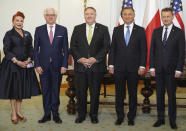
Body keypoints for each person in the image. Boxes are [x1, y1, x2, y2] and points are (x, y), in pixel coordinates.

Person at [70, 7, 110, 124]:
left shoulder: (103, 29)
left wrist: (95, 59)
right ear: (84, 15)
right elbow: (73, 46)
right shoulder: (77, 28)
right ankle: (81, 115)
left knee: (95, 93)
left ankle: (93, 115)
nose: (89, 16)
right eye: (87, 14)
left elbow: (106, 46)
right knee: (81, 93)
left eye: (91, 14)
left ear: (95, 15)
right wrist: (80, 59)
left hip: (96, 67)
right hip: (81, 67)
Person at [108, 7, 147, 126]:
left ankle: (131, 116)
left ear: (134, 15)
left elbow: (143, 50)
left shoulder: (140, 30)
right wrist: (111, 64)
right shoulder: (117, 30)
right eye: (125, 14)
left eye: (130, 14)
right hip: (119, 68)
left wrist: (142, 66)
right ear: (122, 16)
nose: (127, 16)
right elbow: (113, 49)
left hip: (134, 68)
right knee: (119, 93)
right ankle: (120, 116)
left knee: (132, 94)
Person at [0, 11, 41, 124]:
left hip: (25, 65)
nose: (19, 22)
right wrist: (17, 61)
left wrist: (28, 60)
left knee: (21, 89)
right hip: (12, 66)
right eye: (17, 20)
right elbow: (6, 50)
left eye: (21, 20)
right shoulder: (9, 34)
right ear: (13, 22)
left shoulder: (27, 34)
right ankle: (13, 112)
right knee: (13, 90)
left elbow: (31, 49)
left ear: (23, 22)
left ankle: (19, 111)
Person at [150, 8, 185, 129]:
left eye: (168, 16)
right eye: (163, 17)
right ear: (161, 17)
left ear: (172, 17)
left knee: (171, 96)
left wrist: (179, 69)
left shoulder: (179, 32)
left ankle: (172, 120)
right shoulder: (156, 31)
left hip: (172, 71)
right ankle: (160, 119)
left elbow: (181, 53)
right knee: (159, 95)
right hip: (158, 70)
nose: (165, 19)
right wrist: (152, 67)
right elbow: (152, 51)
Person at [34, 8, 69, 124]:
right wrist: (37, 65)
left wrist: (64, 65)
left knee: (55, 90)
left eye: (52, 15)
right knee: (45, 91)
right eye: (48, 15)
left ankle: (55, 114)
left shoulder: (62, 30)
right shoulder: (38, 30)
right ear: (45, 16)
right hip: (42, 67)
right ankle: (47, 114)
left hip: (57, 66)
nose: (50, 17)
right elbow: (35, 50)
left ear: (56, 16)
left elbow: (65, 50)